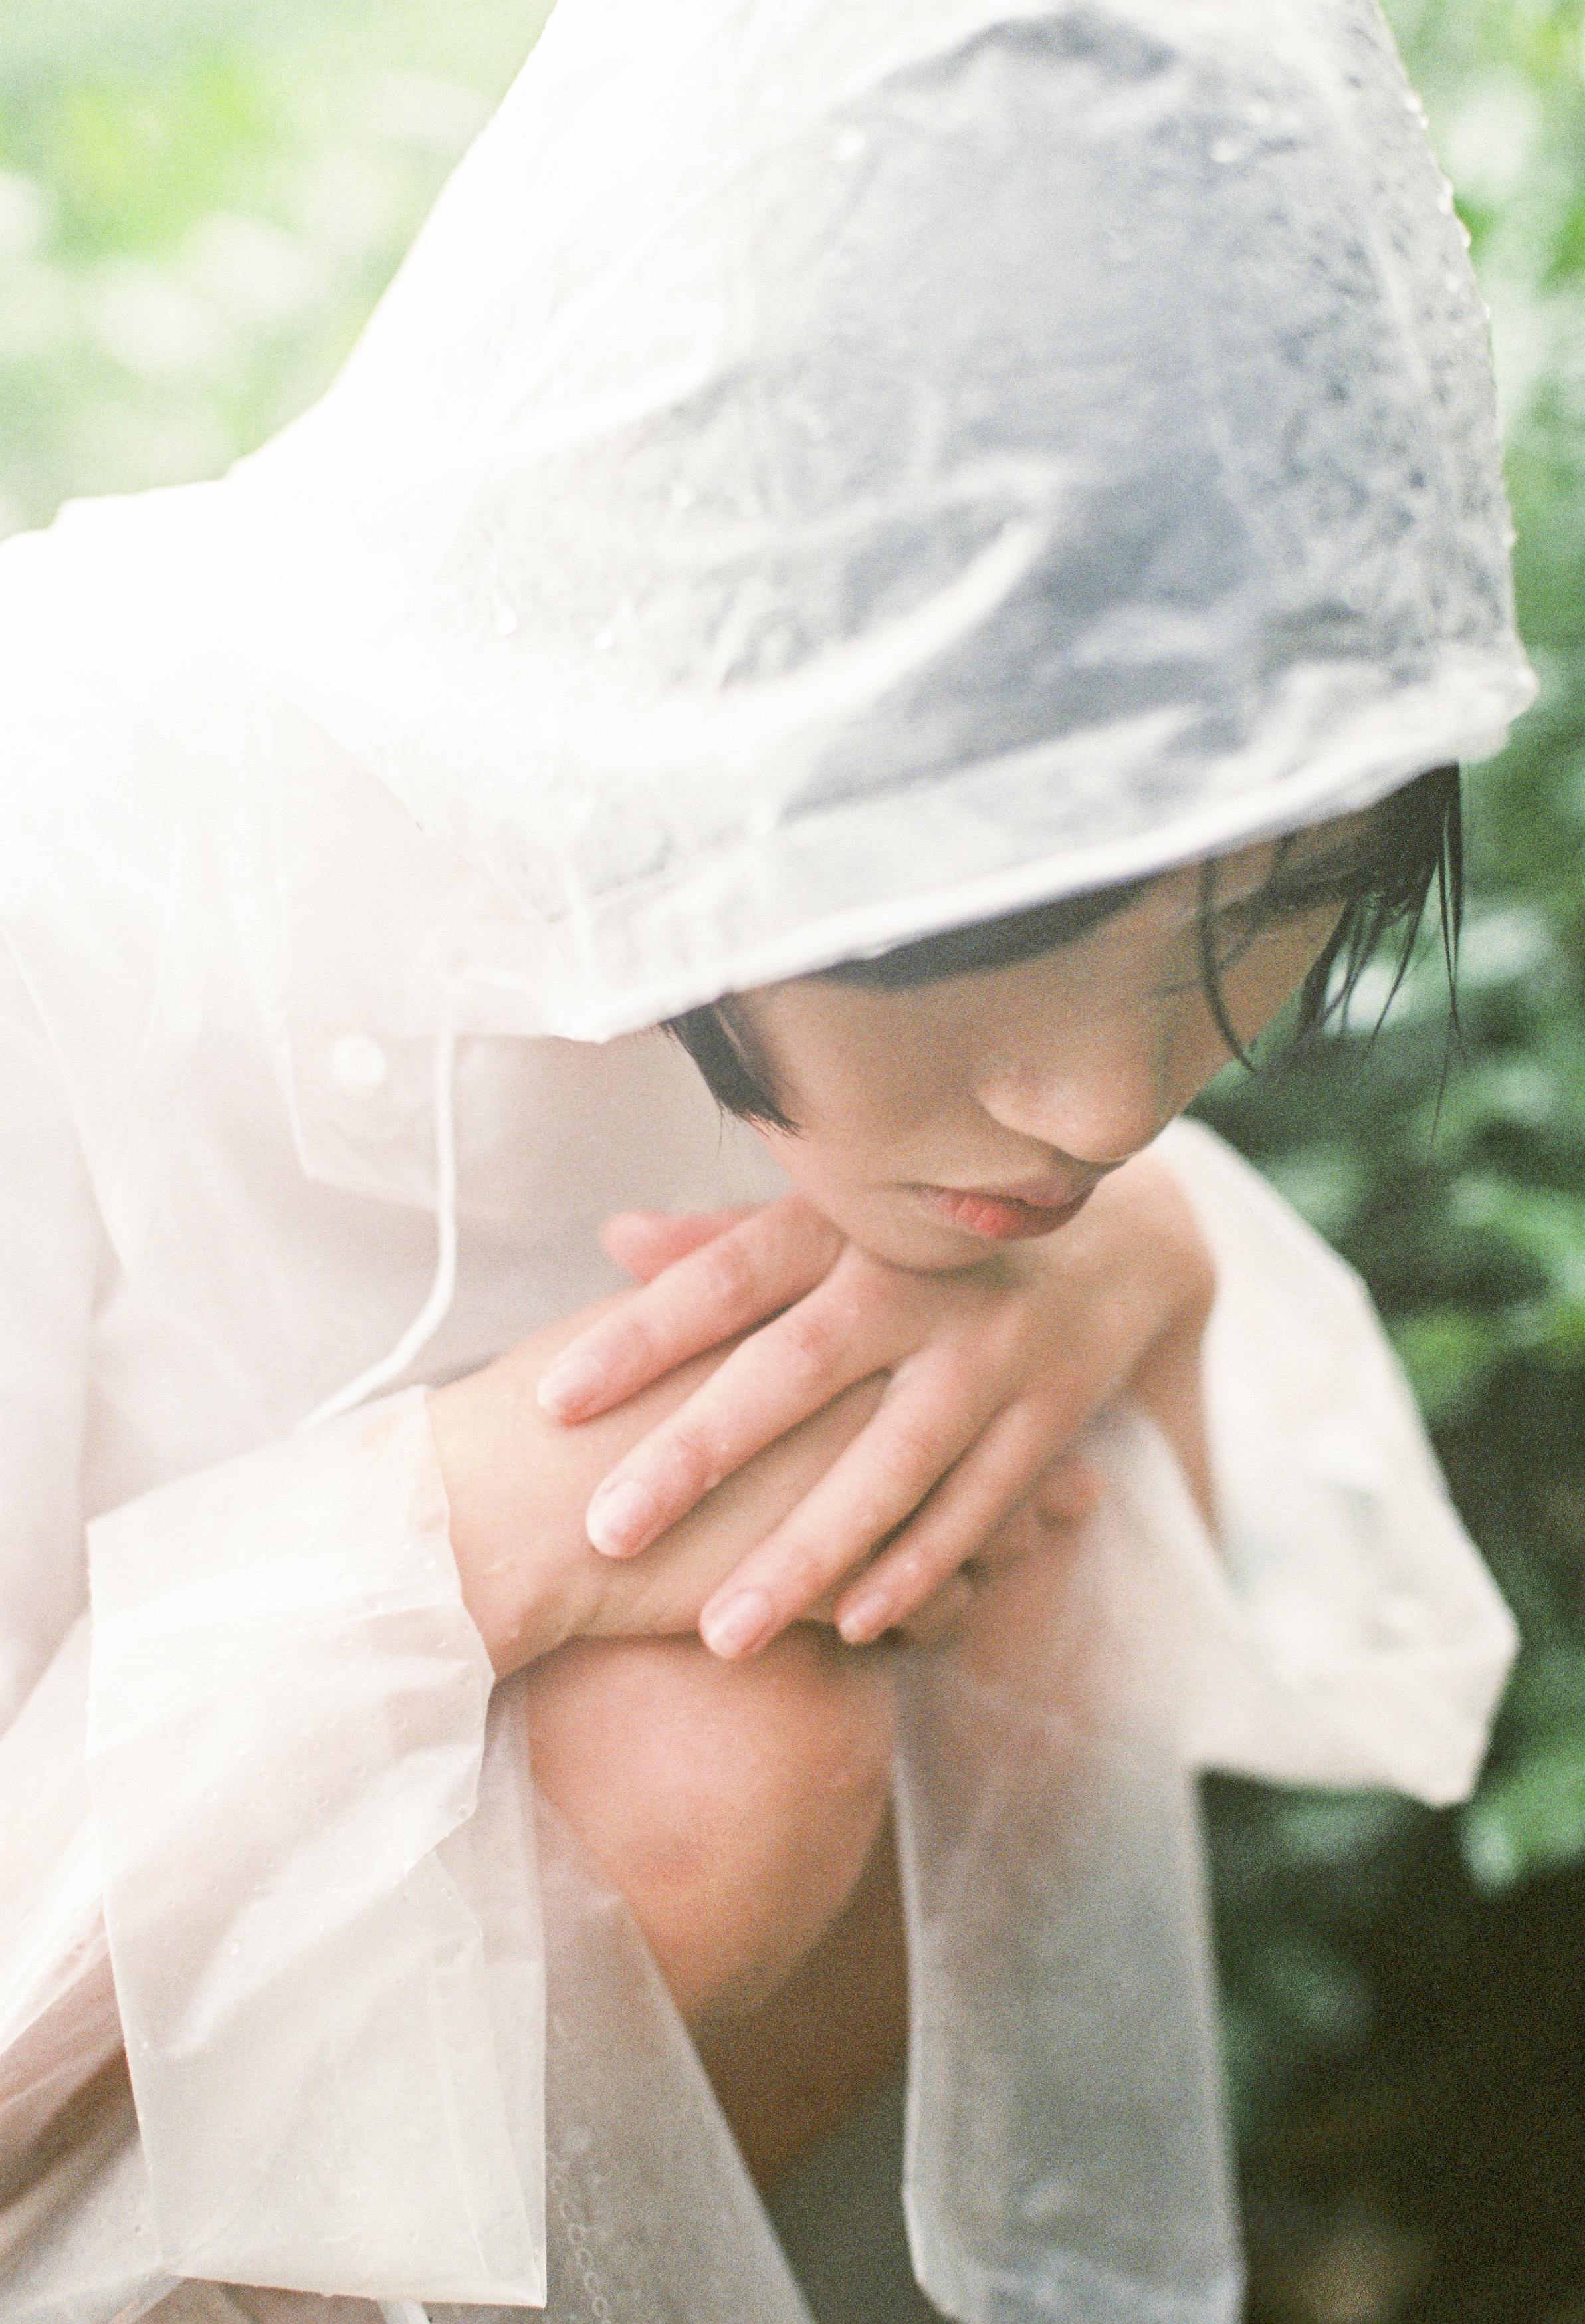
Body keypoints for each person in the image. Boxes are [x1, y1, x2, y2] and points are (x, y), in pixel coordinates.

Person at [0, 0, 1536, 2319]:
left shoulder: (958, 1090)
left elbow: (1359, 1611)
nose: (1105, 1107)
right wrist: (454, 1542)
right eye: (996, 927)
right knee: (723, 1740)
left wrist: (1145, 1270)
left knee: (976, 1480)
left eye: (1271, 915)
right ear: (707, 671)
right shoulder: (60, 863)